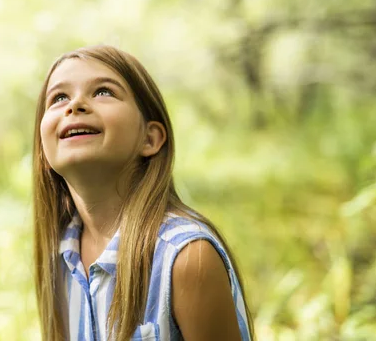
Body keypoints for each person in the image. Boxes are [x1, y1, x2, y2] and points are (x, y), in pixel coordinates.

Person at [32, 45, 253, 341]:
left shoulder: (186, 258)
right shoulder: (59, 257)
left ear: (150, 138)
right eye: (59, 97)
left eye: (103, 92)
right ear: (45, 152)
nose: (75, 105)